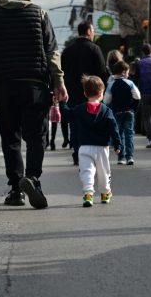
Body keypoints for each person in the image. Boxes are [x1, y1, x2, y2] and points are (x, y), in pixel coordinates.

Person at [0, 0, 68, 209]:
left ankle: (16, 189)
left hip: (4, 86)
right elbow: (52, 53)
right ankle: (33, 178)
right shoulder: (40, 14)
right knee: (37, 137)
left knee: (10, 138)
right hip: (35, 85)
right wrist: (59, 83)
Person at [59, 75, 121, 207]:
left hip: (84, 147)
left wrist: (62, 102)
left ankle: (88, 194)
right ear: (101, 93)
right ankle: (105, 193)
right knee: (104, 171)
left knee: (87, 171)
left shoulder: (80, 108)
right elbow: (113, 128)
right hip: (102, 148)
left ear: (85, 93)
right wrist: (117, 143)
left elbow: (68, 115)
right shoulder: (106, 111)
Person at [61, 21, 108, 165]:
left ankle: (77, 153)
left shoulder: (67, 51)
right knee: (92, 124)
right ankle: (90, 154)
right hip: (92, 93)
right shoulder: (95, 49)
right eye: (93, 30)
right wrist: (101, 91)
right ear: (88, 31)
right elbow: (102, 72)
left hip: (72, 94)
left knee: (75, 124)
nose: (93, 33)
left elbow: (61, 72)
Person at [104, 60, 140, 165]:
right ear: (124, 72)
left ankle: (121, 157)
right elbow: (137, 96)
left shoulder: (111, 84)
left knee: (119, 134)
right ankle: (130, 157)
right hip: (129, 111)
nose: (128, 74)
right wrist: (134, 107)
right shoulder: (130, 83)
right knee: (129, 134)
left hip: (117, 112)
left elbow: (106, 100)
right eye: (128, 72)